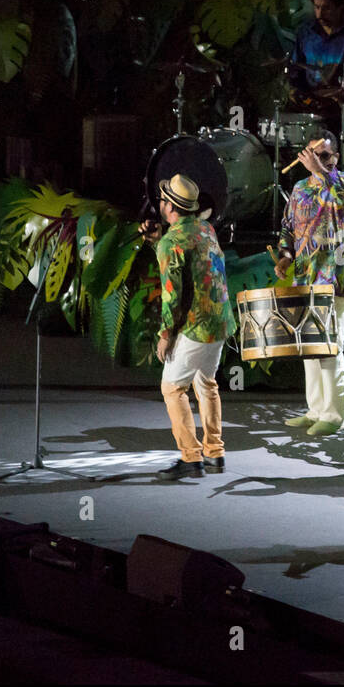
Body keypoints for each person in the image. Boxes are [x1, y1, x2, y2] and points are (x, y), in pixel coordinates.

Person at [142, 174, 234, 480]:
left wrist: (165, 334)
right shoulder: (205, 229)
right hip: (219, 321)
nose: (160, 203)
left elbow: (173, 296)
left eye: (163, 200)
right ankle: (215, 453)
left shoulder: (172, 242)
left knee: (172, 387)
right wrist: (160, 243)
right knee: (206, 383)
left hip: (195, 326)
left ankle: (191, 457)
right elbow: (193, 263)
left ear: (169, 207)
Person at [276, 132, 344, 437]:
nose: (319, 160)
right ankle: (316, 410)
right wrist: (285, 255)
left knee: (330, 349)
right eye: (313, 154)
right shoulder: (299, 189)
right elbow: (288, 228)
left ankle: (334, 416)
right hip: (306, 277)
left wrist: (321, 172)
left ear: (335, 157)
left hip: (335, 278)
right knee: (311, 347)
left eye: (325, 156)